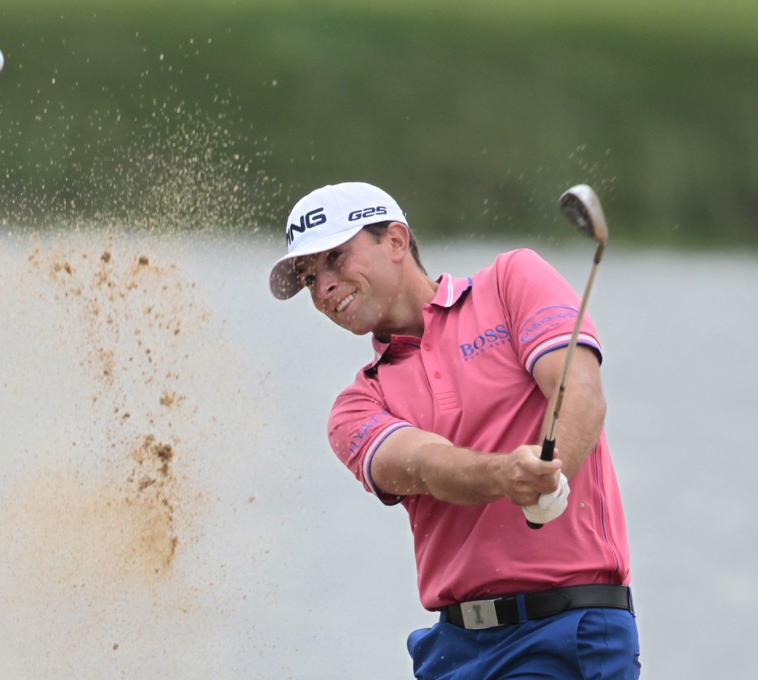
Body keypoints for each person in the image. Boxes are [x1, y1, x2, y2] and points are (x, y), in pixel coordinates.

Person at [269, 182, 640, 678]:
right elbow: (425, 465)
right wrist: (508, 475)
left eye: (336, 258)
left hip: (567, 630)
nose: (323, 288)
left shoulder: (511, 282)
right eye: (310, 277)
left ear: (396, 241)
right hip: (454, 651)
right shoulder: (356, 407)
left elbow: (579, 392)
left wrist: (554, 472)